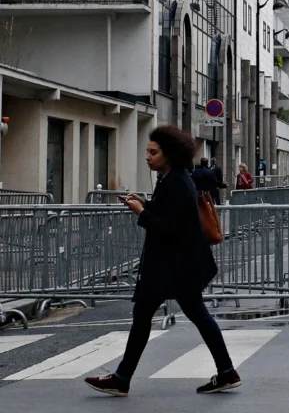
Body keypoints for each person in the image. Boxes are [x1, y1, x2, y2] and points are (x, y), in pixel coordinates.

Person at [86, 126, 240, 397]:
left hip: (173, 266)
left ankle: (122, 379)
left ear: (169, 155)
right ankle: (226, 372)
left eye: (153, 152)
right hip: (177, 265)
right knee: (175, 316)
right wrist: (144, 203)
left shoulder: (177, 182)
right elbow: (169, 214)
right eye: (147, 151)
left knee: (151, 316)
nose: (147, 156)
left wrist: (141, 212)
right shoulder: (171, 178)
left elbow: (169, 228)